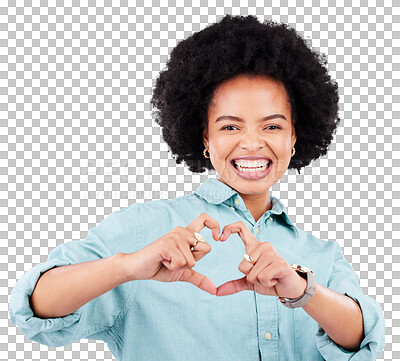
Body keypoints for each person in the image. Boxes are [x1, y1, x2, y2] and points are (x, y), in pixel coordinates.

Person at [9, 14, 385, 361]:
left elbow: (364, 341)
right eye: (230, 127)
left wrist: (301, 290)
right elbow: (34, 308)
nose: (252, 144)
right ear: (205, 138)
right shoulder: (145, 228)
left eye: (271, 126)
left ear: (293, 139)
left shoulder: (321, 255)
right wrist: (127, 266)